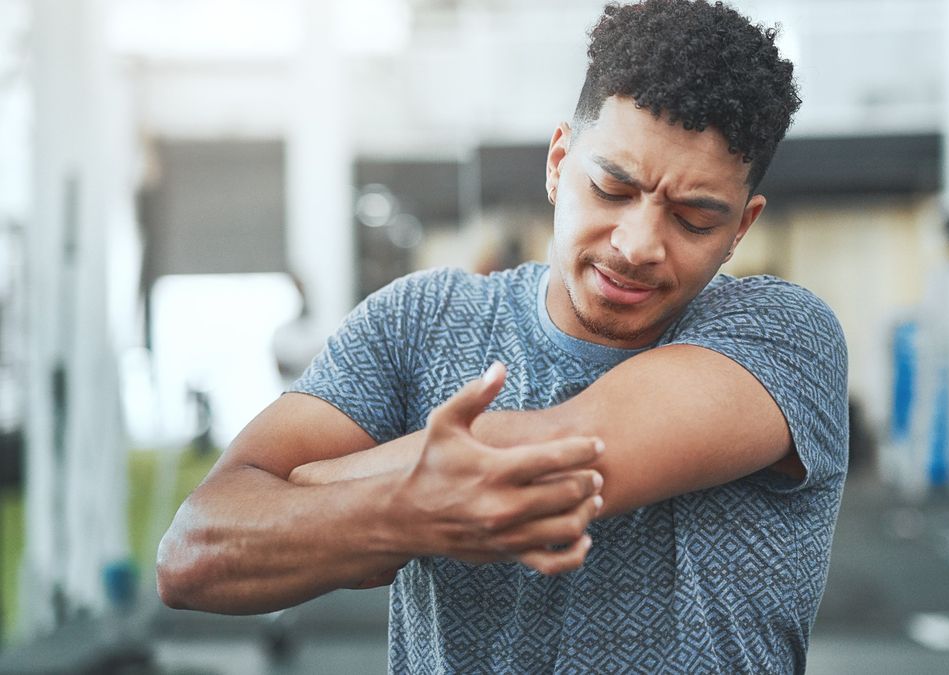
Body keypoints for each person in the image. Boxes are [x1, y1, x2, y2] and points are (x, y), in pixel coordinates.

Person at [156, 1, 848, 672]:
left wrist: (315, 489)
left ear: (741, 228)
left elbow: (559, 461)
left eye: (695, 219)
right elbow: (194, 552)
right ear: (557, 163)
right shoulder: (420, 322)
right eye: (611, 188)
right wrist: (403, 509)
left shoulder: (784, 336)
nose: (638, 245)